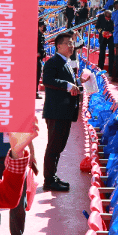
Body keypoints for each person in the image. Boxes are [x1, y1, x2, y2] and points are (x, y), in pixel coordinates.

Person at [41, 32, 80, 191]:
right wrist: (68, 85)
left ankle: (53, 176)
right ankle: (48, 180)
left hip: (64, 111)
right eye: (68, 43)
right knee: (53, 146)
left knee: (58, 146)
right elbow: (47, 81)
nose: (71, 46)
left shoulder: (66, 62)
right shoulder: (53, 62)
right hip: (56, 112)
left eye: (72, 43)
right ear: (59, 46)